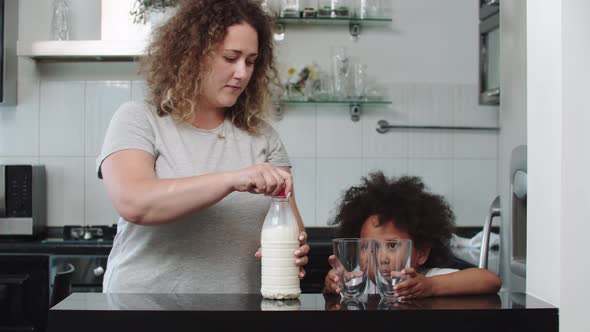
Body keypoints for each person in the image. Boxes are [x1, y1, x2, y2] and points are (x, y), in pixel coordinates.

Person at [97, 0, 309, 294]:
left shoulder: (263, 136)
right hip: (143, 310)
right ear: (192, 55)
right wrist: (231, 179)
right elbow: (134, 202)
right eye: (230, 57)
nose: (242, 73)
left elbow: (289, 222)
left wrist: (295, 247)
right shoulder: (140, 119)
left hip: (236, 311)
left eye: (250, 61)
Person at [323, 172, 501, 300]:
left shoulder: (427, 279)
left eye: (392, 246)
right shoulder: (361, 284)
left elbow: (490, 280)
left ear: (421, 253)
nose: (380, 258)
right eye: (367, 247)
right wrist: (333, 284)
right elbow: (334, 291)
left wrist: (432, 287)